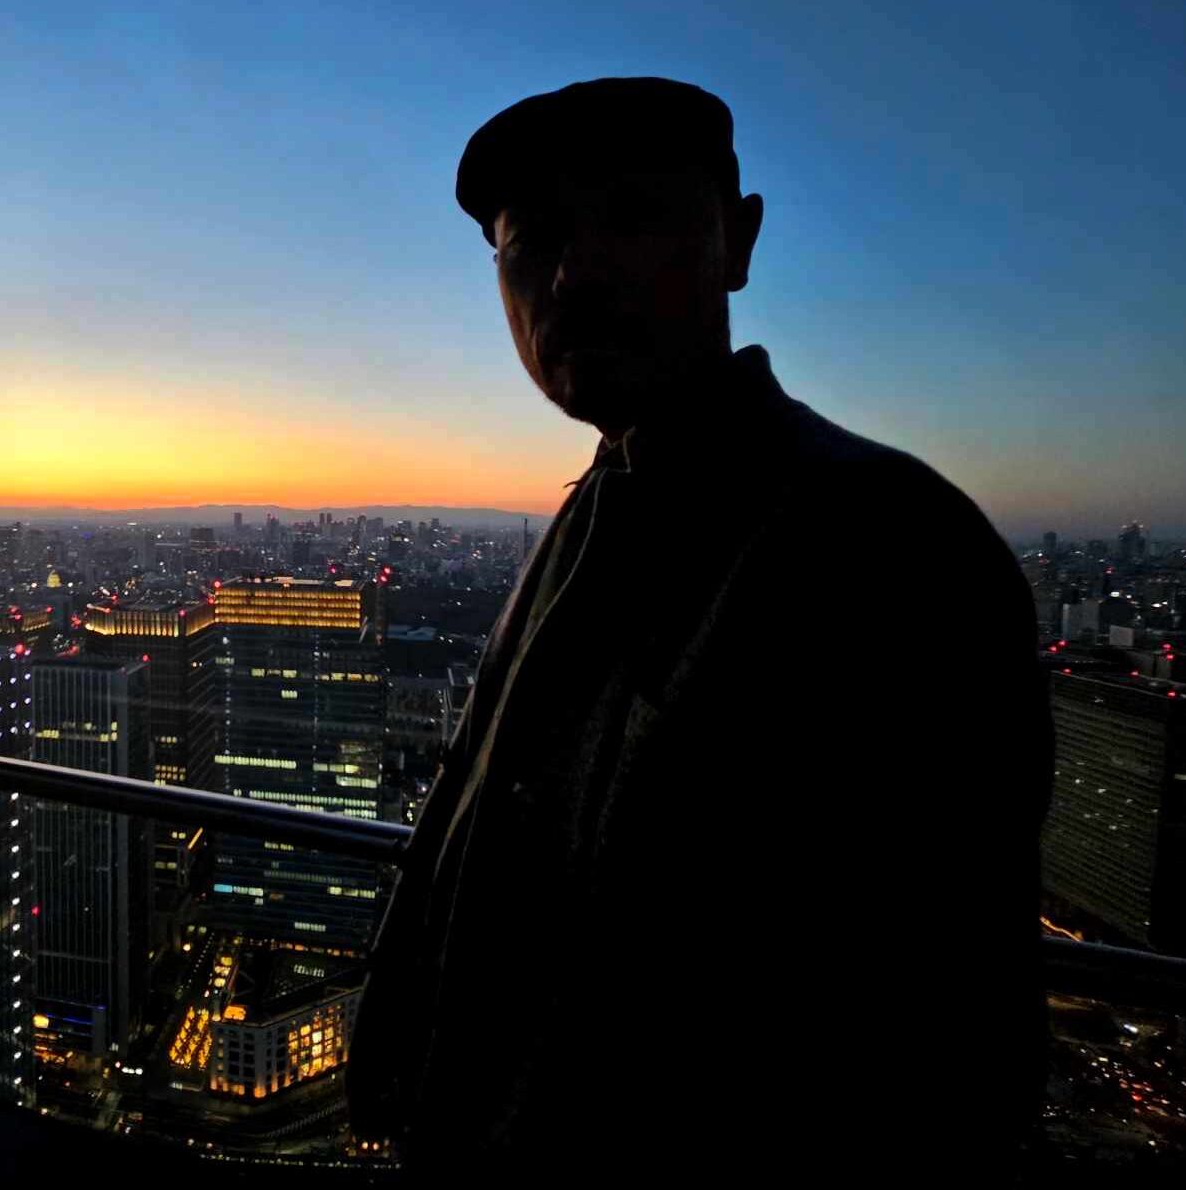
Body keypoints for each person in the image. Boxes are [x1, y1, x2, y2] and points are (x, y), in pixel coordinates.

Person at [348, 77, 1051, 1178]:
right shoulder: (594, 509)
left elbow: (951, 1045)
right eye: (532, 243)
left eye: (632, 216)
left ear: (738, 241)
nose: (573, 274)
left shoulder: (888, 545)